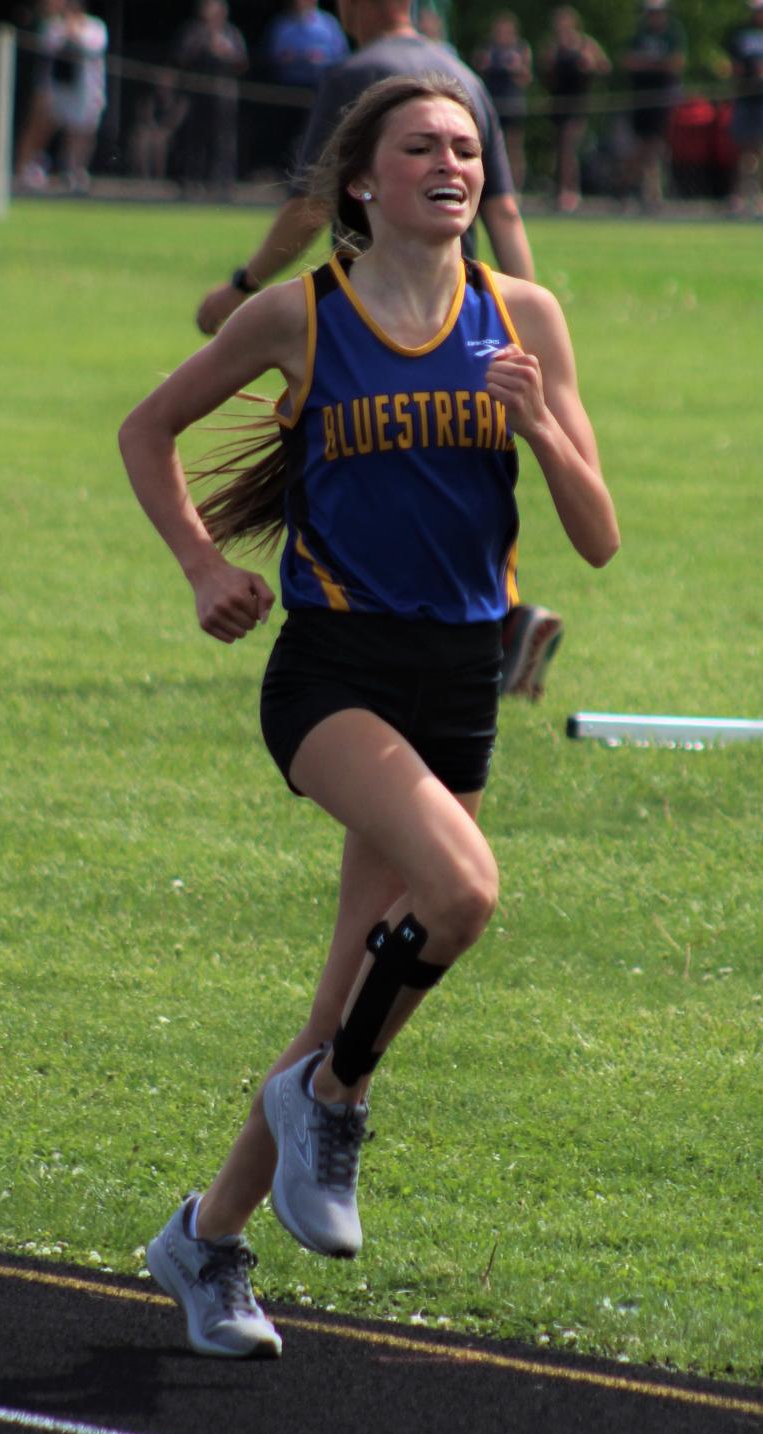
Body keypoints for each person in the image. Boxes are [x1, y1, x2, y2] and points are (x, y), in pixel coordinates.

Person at [119, 71, 619, 1359]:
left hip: (462, 678)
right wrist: (201, 568)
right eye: (421, 147)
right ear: (362, 180)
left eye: (466, 146)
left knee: (349, 984)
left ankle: (208, 1239)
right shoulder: (302, 315)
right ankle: (330, 1099)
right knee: (462, 897)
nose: (452, 163)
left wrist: (541, 428)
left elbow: (599, 537)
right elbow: (149, 427)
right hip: (333, 670)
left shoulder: (526, 315)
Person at [195, 0, 565, 700]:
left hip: (370, 306)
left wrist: (243, 284)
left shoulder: (356, 75)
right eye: (422, 149)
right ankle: (497, 626)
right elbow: (506, 212)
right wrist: (523, 316)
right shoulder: (463, 76)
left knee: (361, 476)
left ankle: (406, 639)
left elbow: (312, 202)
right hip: (463, 311)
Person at [15, 0, 108, 194]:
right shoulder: (54, 28)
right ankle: (26, 170)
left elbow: (92, 46)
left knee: (82, 133)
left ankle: (75, 172)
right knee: (41, 126)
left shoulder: (95, 27)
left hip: (86, 92)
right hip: (58, 90)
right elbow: (49, 46)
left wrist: (73, 30)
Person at [261, 0, 350, 173]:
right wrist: (291, 57)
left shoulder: (328, 23)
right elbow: (273, 53)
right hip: (289, 88)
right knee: (288, 133)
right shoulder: (283, 25)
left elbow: (341, 55)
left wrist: (321, 57)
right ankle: (286, 173)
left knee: (319, 132)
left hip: (319, 88)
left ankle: (315, 173)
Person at [720, 0, 763, 217]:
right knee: (743, 148)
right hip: (744, 95)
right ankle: (739, 194)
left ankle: (762, 195)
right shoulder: (739, 33)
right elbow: (728, 62)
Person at [172, 0, 248, 196]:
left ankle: (223, 183)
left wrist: (225, 52)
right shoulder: (194, 32)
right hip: (198, 93)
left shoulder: (232, 33)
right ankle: (191, 181)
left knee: (224, 139)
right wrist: (205, 44)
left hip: (223, 93)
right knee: (195, 138)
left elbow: (242, 63)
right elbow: (181, 58)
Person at [540, 7, 611, 214]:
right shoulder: (553, 46)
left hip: (577, 104)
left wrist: (588, 65)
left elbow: (604, 66)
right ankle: (560, 188)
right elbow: (544, 70)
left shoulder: (584, 44)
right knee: (559, 148)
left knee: (568, 146)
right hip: (558, 103)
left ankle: (570, 191)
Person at [621, 0, 687, 211]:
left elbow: (676, 63)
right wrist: (656, 64)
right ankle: (633, 186)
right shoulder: (639, 35)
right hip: (641, 97)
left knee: (658, 145)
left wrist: (649, 64)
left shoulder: (673, 34)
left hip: (663, 97)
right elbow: (629, 62)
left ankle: (651, 191)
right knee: (642, 144)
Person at [472, 10, 534, 192]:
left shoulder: (521, 48)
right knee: (484, 147)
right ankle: (486, 189)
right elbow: (476, 72)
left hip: (513, 105)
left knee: (513, 148)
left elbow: (527, 78)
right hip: (491, 105)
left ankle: (515, 190)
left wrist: (515, 68)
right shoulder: (487, 49)